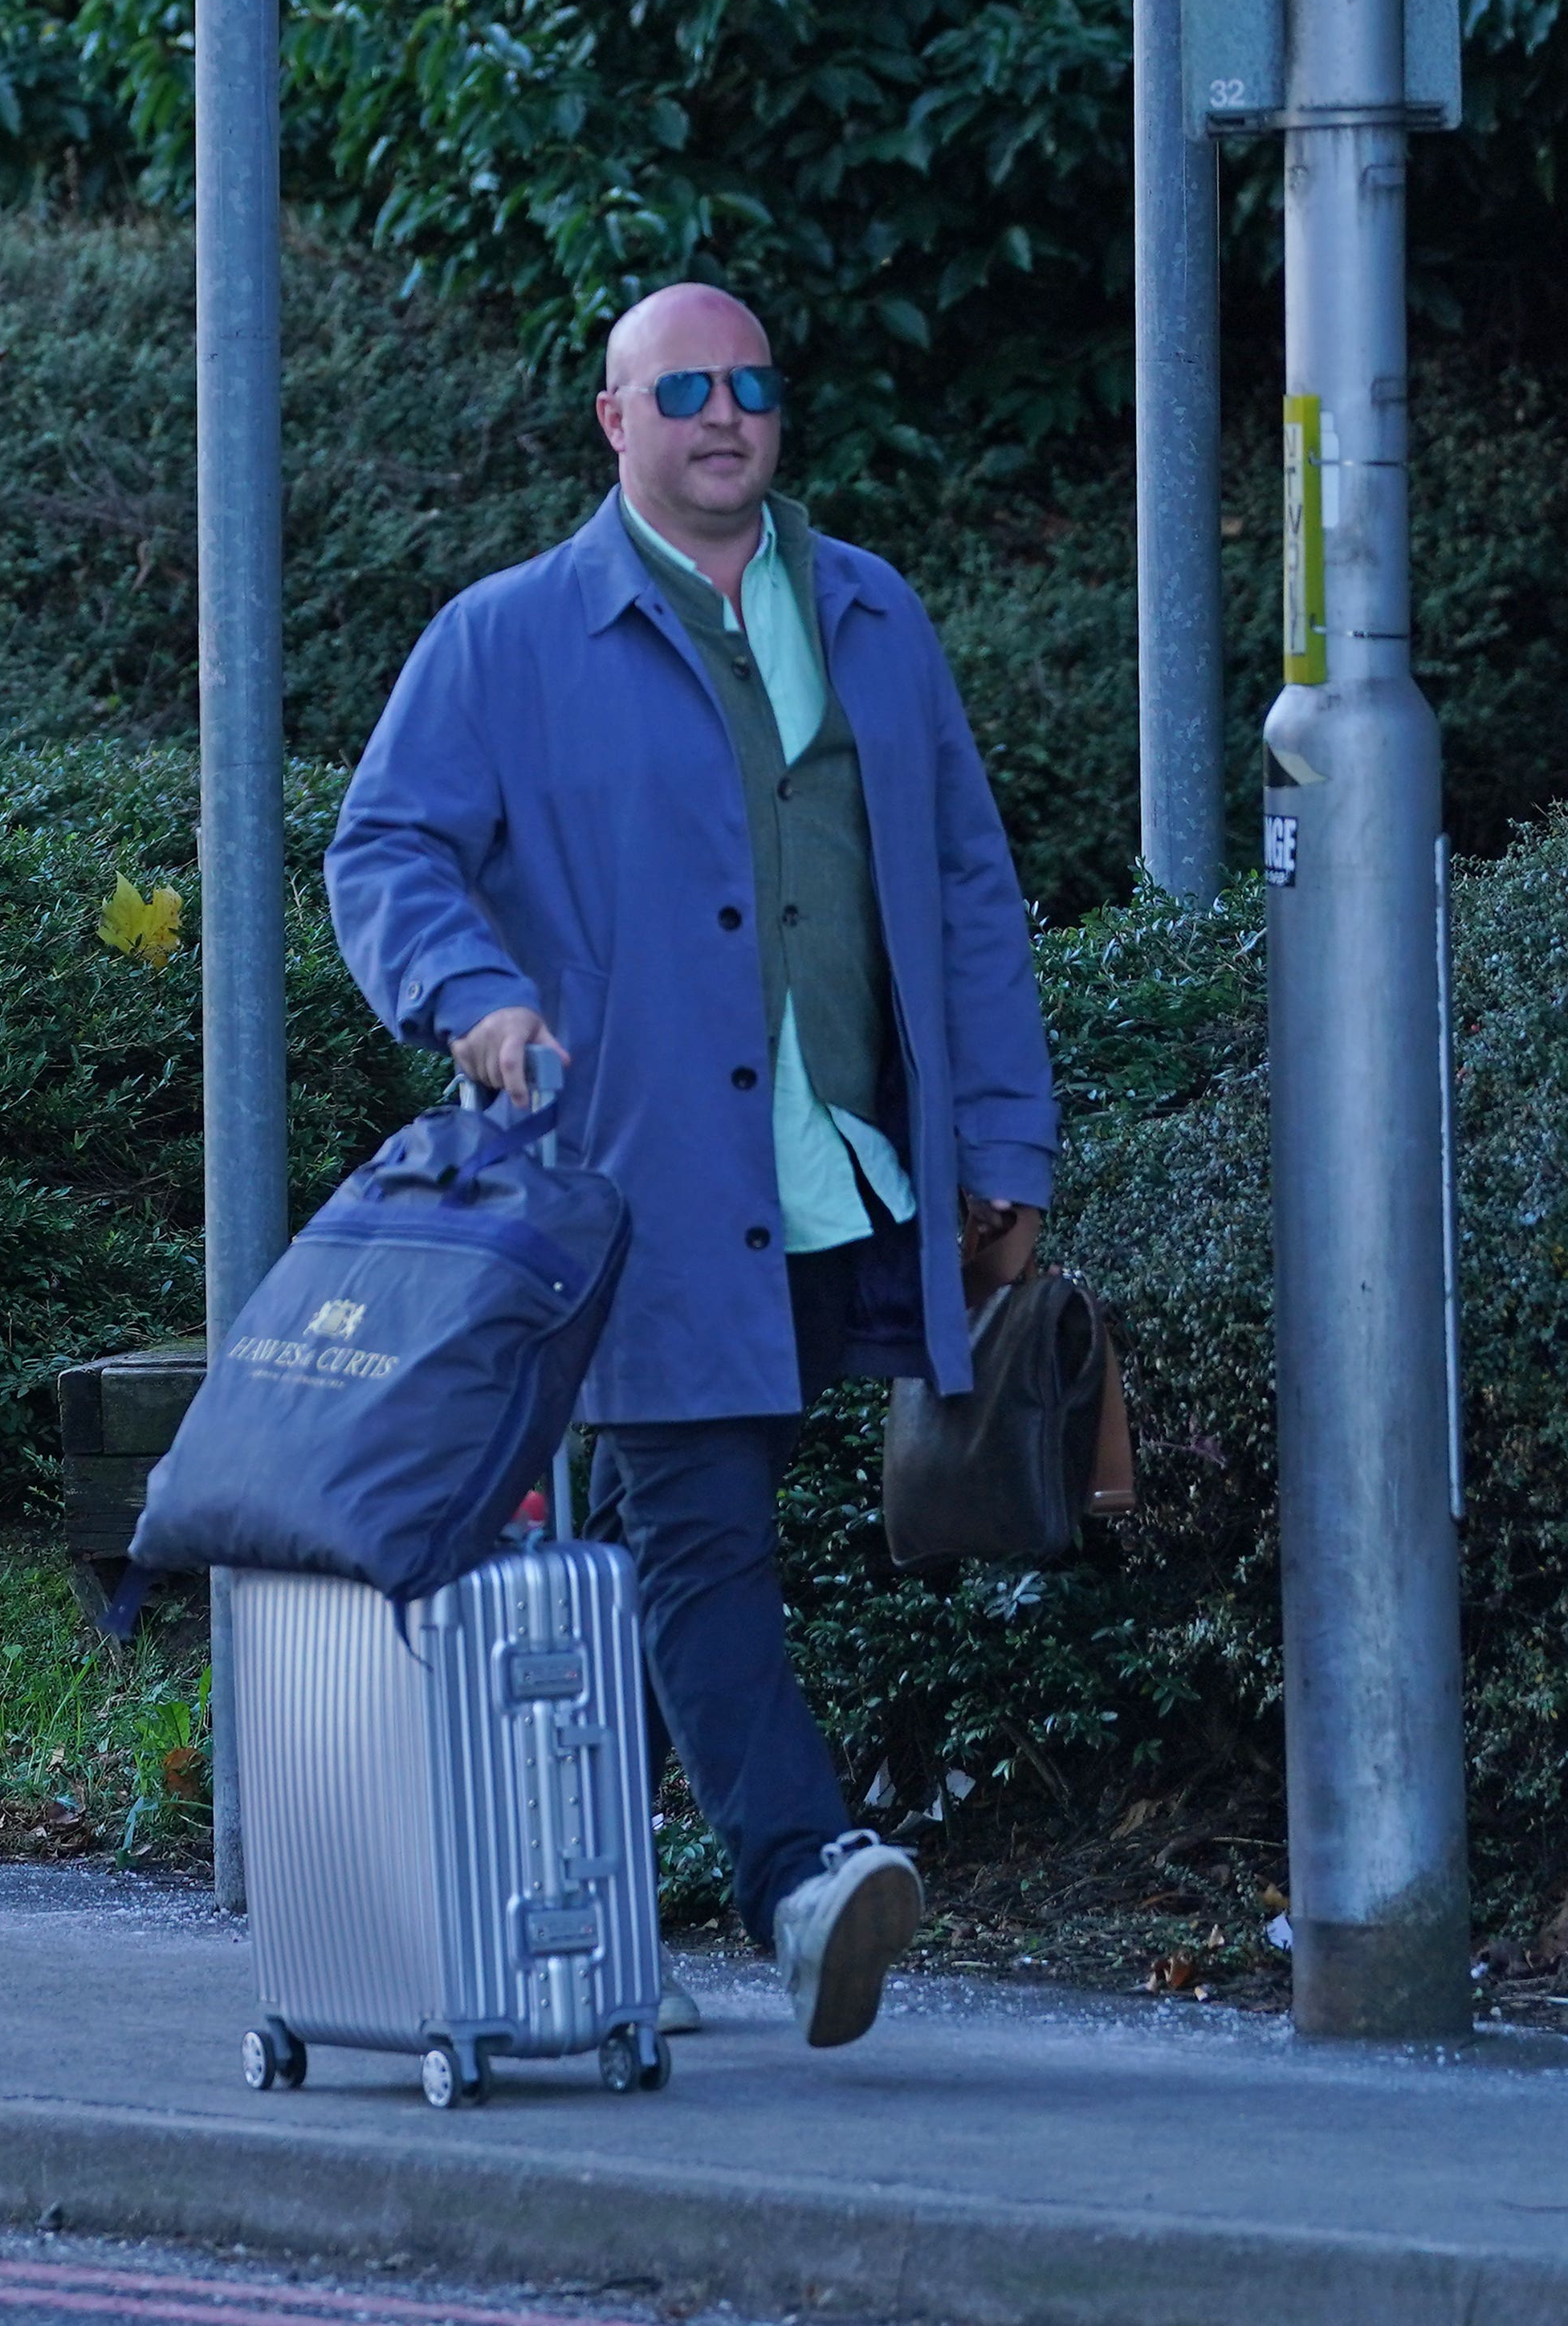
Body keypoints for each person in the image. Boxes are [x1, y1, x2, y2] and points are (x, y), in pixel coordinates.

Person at [322, 283, 1057, 2048]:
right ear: (613, 422)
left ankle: (530, 1877)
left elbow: (964, 886)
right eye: (683, 390)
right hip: (633, 1175)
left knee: (729, 1539)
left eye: (751, 385)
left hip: (845, 1173)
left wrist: (1007, 1138)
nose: (723, 415)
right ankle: (800, 1878)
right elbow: (384, 847)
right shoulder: (505, 639)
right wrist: (475, 998)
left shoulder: (869, 612)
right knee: (697, 1525)